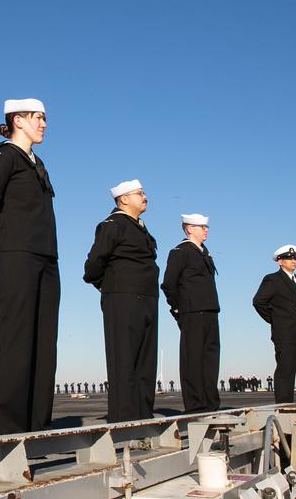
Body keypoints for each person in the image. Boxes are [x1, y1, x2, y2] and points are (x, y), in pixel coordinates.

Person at [0, 98, 58, 434]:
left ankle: (37, 426)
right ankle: (8, 431)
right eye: (38, 117)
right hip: (16, 256)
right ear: (18, 120)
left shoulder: (38, 164)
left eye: (43, 118)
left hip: (46, 259)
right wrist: (6, 241)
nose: (43, 123)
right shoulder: (2, 157)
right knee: (17, 339)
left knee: (43, 341)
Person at [84, 179, 159, 422]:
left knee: (146, 363)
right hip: (122, 298)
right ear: (124, 199)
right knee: (124, 360)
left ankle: (143, 417)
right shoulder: (112, 225)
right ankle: (124, 420)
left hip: (147, 298)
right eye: (140, 193)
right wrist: (108, 286)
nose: (145, 196)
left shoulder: (141, 228)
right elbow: (94, 263)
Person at [161, 213, 221, 413]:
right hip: (192, 311)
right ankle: (195, 405)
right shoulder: (181, 251)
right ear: (189, 229)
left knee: (210, 359)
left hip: (210, 310)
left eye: (206, 226)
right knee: (193, 359)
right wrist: (178, 308)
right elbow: (169, 283)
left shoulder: (204, 252)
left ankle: (210, 403)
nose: (206, 230)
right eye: (201, 226)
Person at [253, 245, 296, 403]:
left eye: (295, 258)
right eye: (289, 258)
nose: (293, 261)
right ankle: (284, 410)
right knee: (285, 373)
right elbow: (258, 302)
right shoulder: (273, 279)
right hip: (285, 334)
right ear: (279, 261)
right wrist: (276, 320)